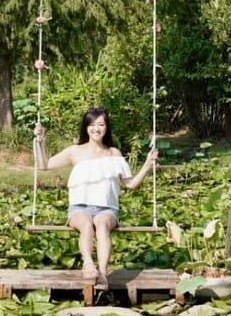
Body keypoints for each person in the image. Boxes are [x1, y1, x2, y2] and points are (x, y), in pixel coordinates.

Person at [34, 106, 158, 287]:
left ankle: (103, 273)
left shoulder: (114, 153)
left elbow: (131, 184)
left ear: (106, 127)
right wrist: (40, 141)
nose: (96, 129)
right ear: (86, 127)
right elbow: (44, 165)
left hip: (107, 209)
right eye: (92, 125)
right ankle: (88, 263)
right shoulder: (74, 151)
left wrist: (147, 164)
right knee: (86, 225)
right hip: (79, 207)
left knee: (101, 225)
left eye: (100, 124)